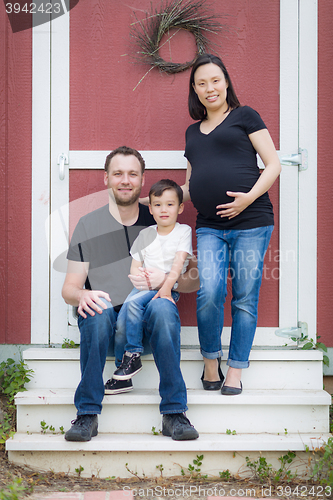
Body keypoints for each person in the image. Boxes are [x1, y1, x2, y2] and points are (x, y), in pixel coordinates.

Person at [62, 146, 199, 442]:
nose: (125, 180)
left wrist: (168, 280)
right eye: (118, 174)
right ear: (106, 179)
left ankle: (174, 412)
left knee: (163, 307)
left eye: (132, 174)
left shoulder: (160, 218)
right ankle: (87, 414)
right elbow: (69, 289)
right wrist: (81, 296)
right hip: (105, 325)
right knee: (96, 308)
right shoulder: (88, 224)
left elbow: (193, 281)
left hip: (147, 325)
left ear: (142, 180)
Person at [180, 54, 281, 395]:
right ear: (194, 89)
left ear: (226, 82)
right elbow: (191, 186)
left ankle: (236, 370)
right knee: (208, 292)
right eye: (202, 83)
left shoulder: (245, 116)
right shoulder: (192, 133)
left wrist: (247, 198)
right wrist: (157, 197)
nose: (210, 88)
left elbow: (273, 165)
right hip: (209, 225)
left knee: (244, 297)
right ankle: (211, 364)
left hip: (251, 221)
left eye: (215, 80)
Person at [112, 179, 192, 381]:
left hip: (165, 286)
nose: (163, 209)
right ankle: (123, 373)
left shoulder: (183, 232)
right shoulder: (145, 234)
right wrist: (141, 278)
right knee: (121, 324)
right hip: (142, 287)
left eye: (170, 204)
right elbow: (135, 265)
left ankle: (133, 354)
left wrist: (164, 288)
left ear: (180, 208)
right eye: (157, 205)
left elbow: (178, 263)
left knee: (132, 307)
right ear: (151, 209)